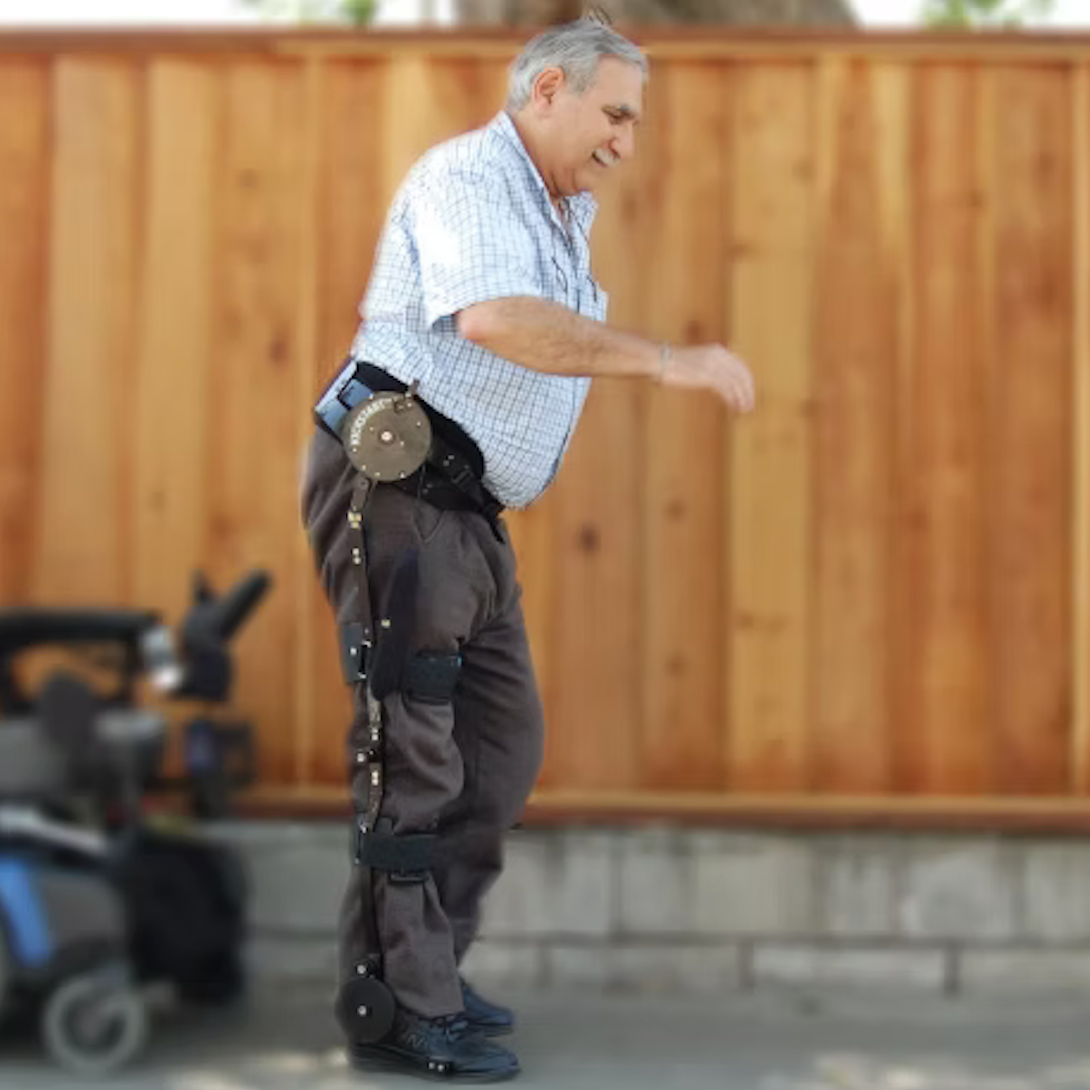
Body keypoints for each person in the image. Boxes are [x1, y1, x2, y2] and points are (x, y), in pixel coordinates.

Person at [300, 16, 755, 1084]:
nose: (626, 142)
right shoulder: (469, 178)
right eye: (615, 115)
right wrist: (665, 359)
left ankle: (429, 975)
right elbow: (497, 320)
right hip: (398, 491)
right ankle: (397, 1006)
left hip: (464, 513)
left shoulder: (552, 208)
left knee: (498, 754)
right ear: (547, 89)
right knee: (411, 755)